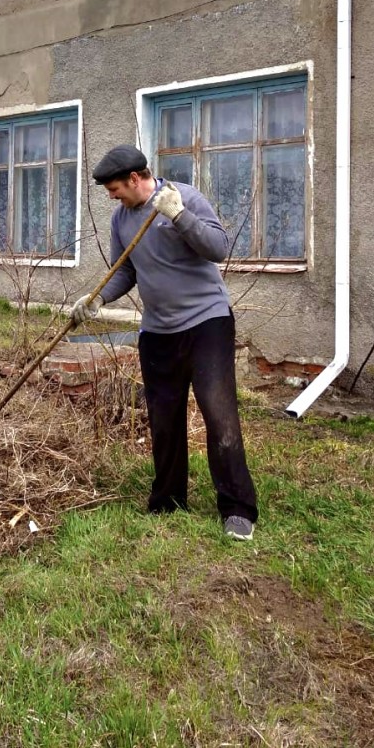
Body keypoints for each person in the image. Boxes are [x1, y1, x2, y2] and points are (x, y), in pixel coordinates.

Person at [72, 144, 258, 540]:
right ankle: (169, 500)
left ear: (135, 178)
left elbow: (218, 249)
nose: (111, 196)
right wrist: (97, 299)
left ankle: (237, 508)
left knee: (219, 413)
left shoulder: (184, 198)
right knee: (164, 419)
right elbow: (125, 272)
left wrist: (179, 216)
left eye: (114, 189)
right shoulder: (122, 219)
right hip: (157, 331)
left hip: (207, 323)